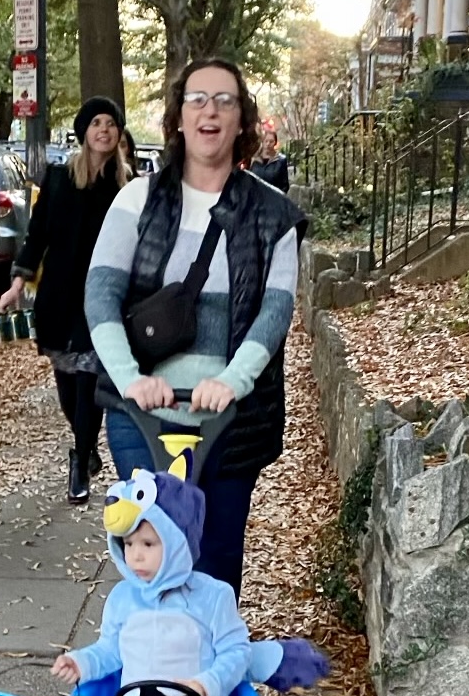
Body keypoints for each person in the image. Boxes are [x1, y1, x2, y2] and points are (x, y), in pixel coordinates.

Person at [83, 58, 305, 597]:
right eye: (197, 99)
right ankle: (144, 677)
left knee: (216, 567)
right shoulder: (137, 199)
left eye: (224, 100)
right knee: (149, 565)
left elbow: (274, 312)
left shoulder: (273, 214)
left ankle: (209, 678)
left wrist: (233, 380)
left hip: (231, 420)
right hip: (141, 415)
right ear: (179, 117)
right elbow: (101, 296)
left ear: (241, 119)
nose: (210, 110)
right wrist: (130, 377)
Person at [50, 468, 270, 696]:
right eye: (128, 544)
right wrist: (80, 662)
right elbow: (110, 650)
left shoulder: (213, 597)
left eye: (148, 544)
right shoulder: (122, 598)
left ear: (178, 541)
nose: (135, 555)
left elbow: (237, 652)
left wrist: (206, 686)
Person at [0, 97, 133, 503]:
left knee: (90, 378)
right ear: (84, 131)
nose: (104, 130)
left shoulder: (127, 185)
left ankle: (79, 462)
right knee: (67, 382)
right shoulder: (57, 178)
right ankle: (87, 446)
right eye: (96, 122)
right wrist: (18, 282)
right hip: (58, 294)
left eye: (111, 123)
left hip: (103, 298)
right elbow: (37, 234)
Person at [248, 125, 290, 192]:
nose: (268, 144)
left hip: (274, 198)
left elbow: (285, 185)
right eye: (266, 141)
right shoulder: (253, 159)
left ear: (275, 143)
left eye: (271, 141)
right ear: (262, 141)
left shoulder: (281, 160)